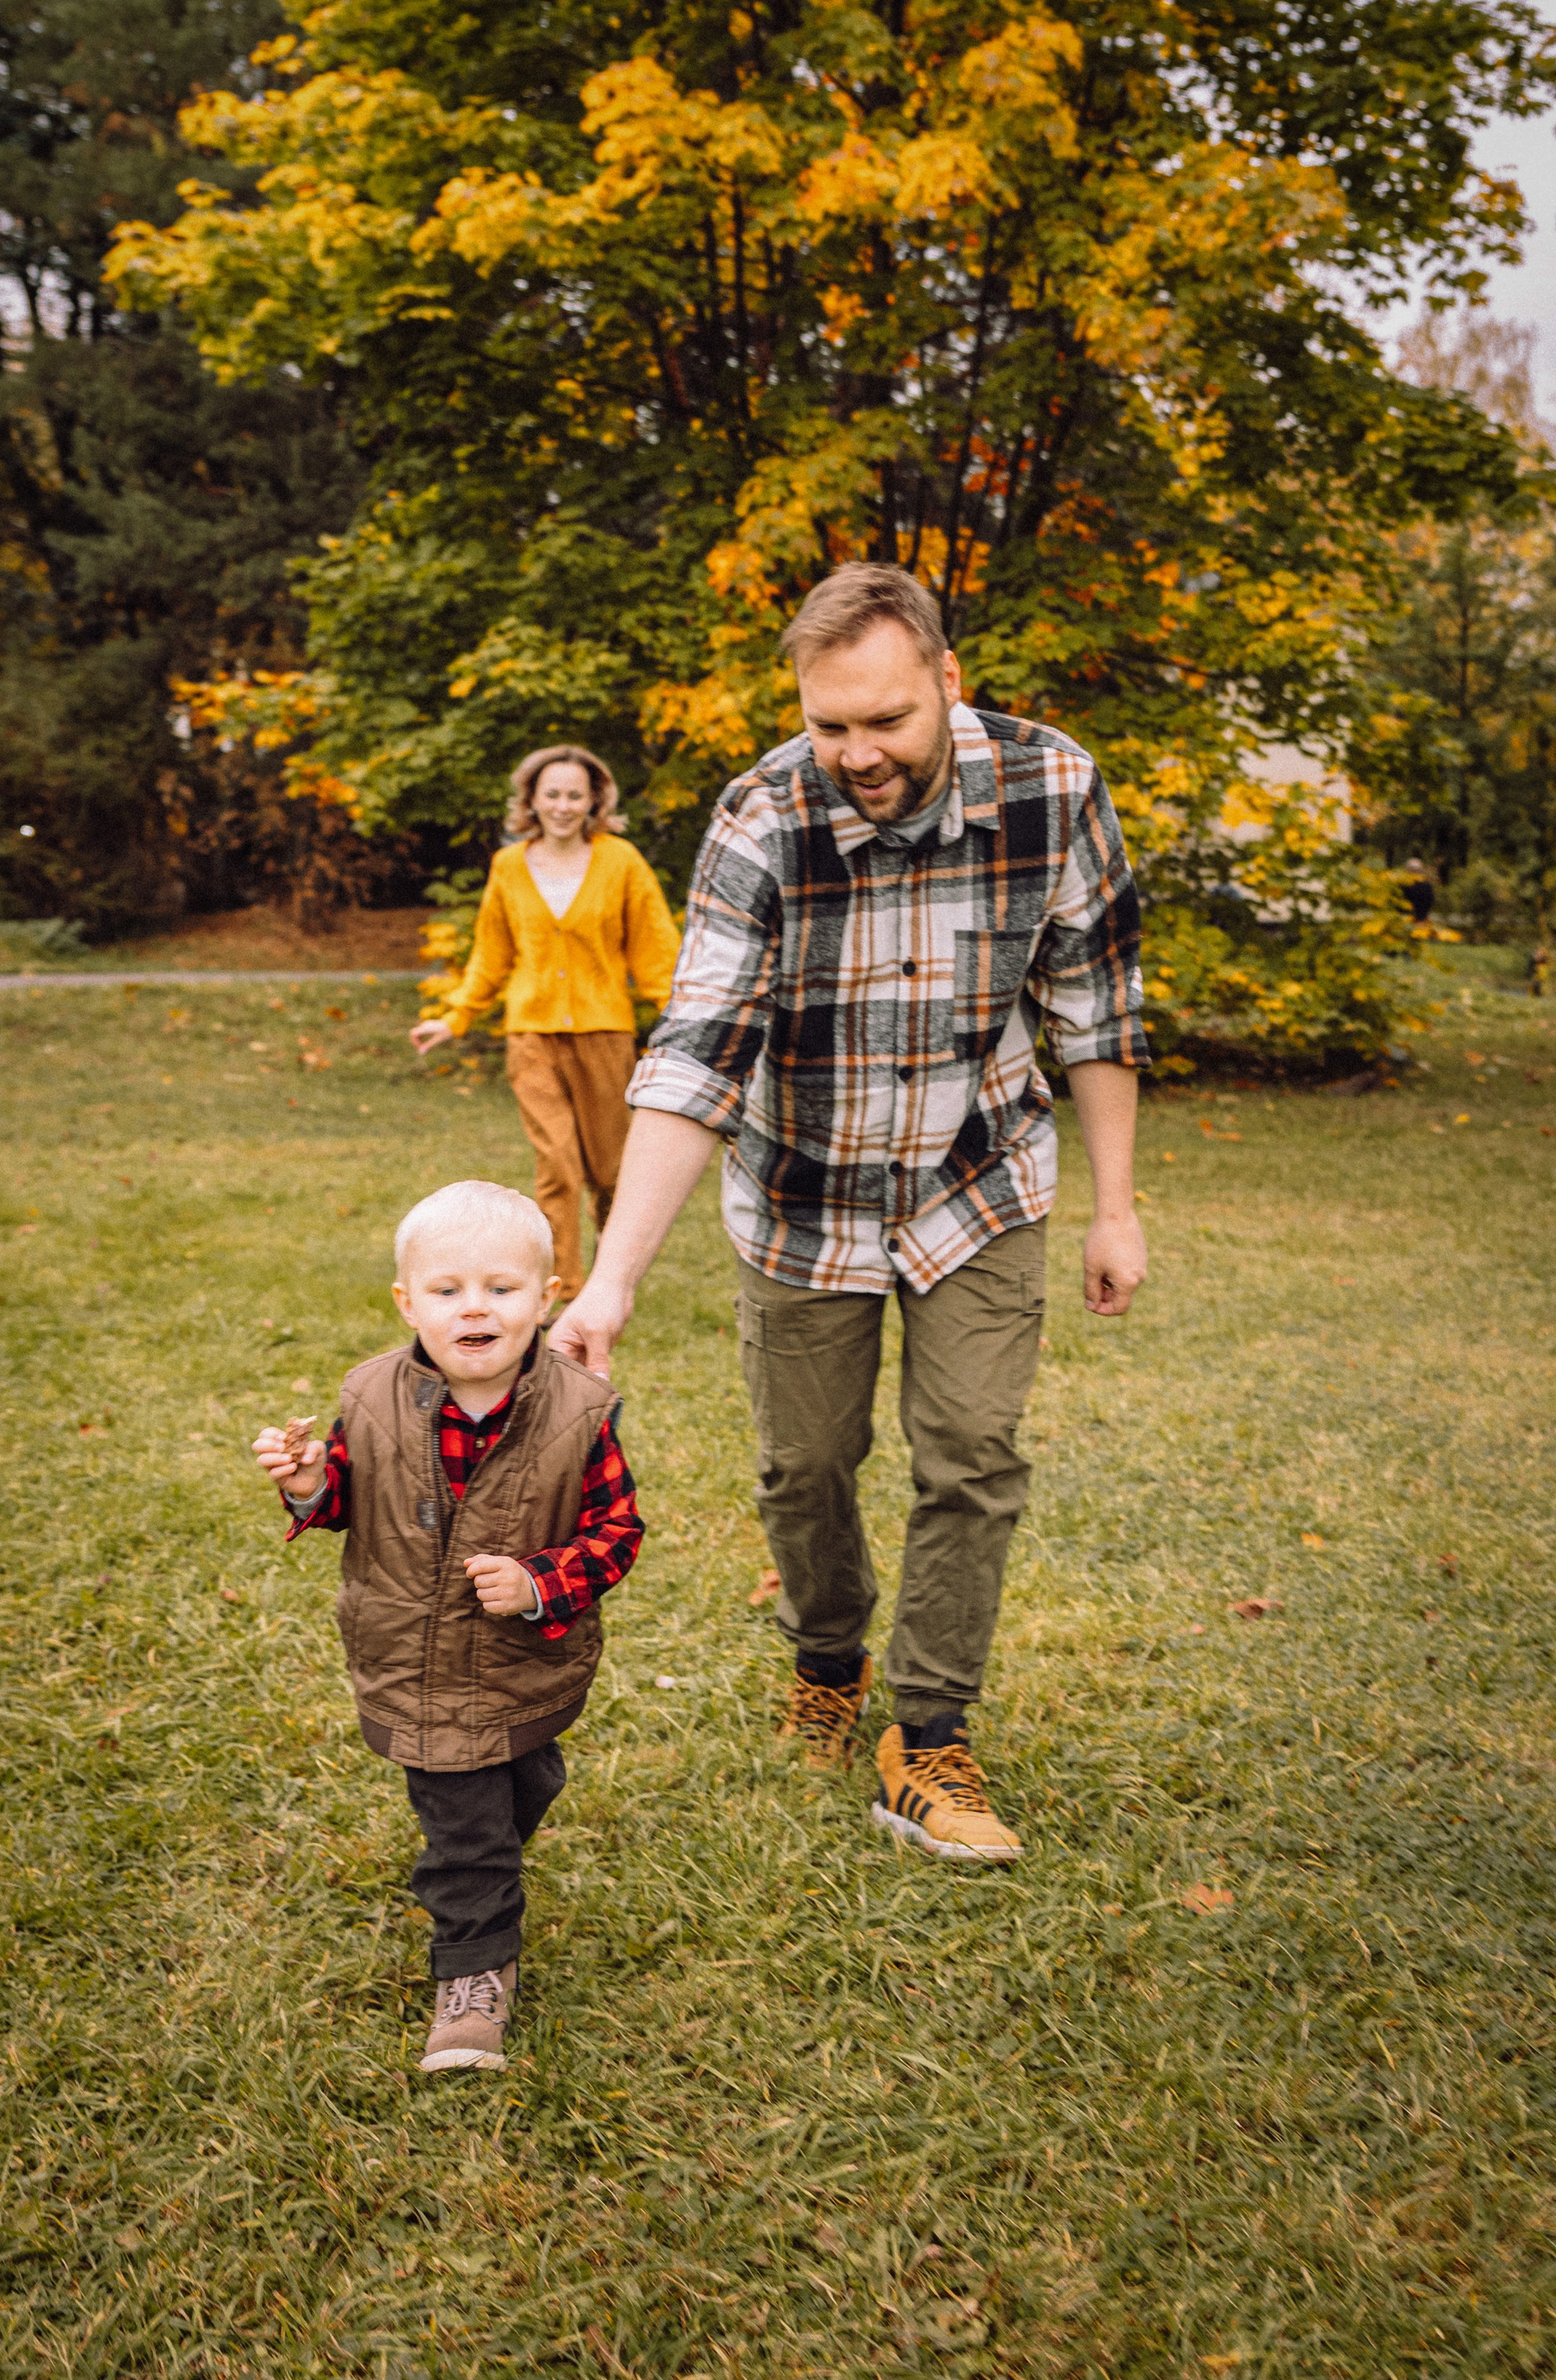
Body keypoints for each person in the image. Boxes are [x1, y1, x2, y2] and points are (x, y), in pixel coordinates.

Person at [549, 563, 1148, 1868]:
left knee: (972, 1452)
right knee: (805, 1466)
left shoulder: (1055, 789)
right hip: (804, 1193)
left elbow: (1096, 1009)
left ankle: (928, 1732)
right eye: (830, 725)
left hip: (977, 1177)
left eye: (885, 719)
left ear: (948, 681)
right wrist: (612, 1279)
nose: (857, 754)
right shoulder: (762, 813)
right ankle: (828, 1654)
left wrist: (1118, 1206)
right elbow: (699, 1046)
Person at [252, 1179, 643, 2073]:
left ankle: (481, 1859)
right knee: (467, 1833)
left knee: (523, 1780)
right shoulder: (374, 1396)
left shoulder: (580, 1411)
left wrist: (542, 1580)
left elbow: (617, 1532)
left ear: (546, 1297)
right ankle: (473, 1978)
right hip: (414, 1664)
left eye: (502, 1288)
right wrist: (309, 1481)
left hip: (524, 1663)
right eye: (447, 1290)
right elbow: (347, 1499)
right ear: (407, 1302)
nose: (475, 1307)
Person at [409, 746, 680, 1300]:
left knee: (609, 1171)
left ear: (593, 800)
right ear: (531, 800)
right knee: (557, 1164)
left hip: (604, 1033)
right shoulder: (509, 866)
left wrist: (684, 1015)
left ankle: (613, 1274)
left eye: (574, 795)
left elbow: (655, 950)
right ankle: (567, 1289)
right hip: (531, 1035)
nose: (562, 805)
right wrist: (456, 1017)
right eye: (551, 794)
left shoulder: (621, 861)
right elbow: (492, 953)